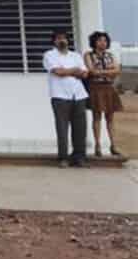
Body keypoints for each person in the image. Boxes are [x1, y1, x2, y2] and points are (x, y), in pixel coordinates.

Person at [43, 29, 90, 168]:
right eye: (58, 38)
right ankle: (63, 158)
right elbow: (58, 72)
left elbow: (85, 73)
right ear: (54, 41)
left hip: (79, 95)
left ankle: (79, 157)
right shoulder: (49, 55)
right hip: (60, 95)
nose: (62, 41)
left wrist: (68, 71)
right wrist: (74, 71)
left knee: (80, 128)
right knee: (62, 128)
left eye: (64, 38)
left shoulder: (75, 56)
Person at [84, 31, 123, 159]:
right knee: (97, 117)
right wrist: (109, 71)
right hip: (96, 87)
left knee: (110, 118)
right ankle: (97, 145)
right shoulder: (88, 55)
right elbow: (91, 71)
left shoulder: (110, 55)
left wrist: (101, 71)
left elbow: (117, 70)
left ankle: (113, 145)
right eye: (100, 40)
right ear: (94, 42)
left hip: (109, 87)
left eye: (105, 40)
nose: (103, 43)